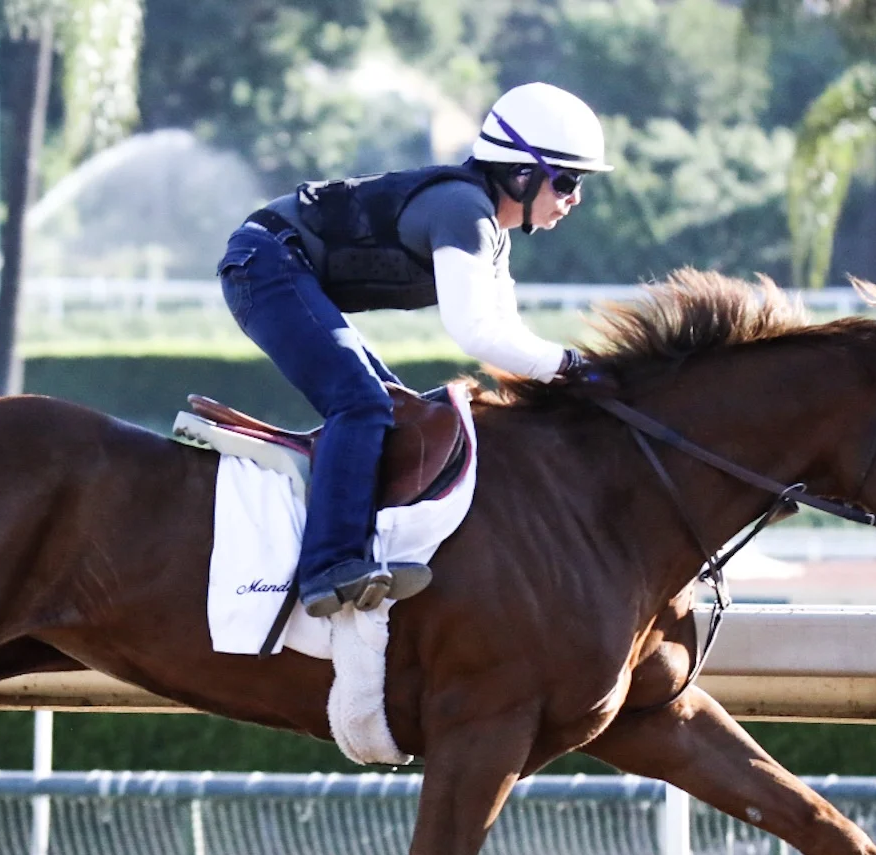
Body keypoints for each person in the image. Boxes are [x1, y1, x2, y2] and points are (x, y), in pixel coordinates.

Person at [217, 82, 616, 619]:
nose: (575, 199)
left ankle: (368, 542)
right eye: (567, 181)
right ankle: (328, 566)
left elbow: (509, 335)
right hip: (262, 261)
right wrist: (575, 367)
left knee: (397, 407)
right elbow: (477, 334)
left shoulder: (490, 231)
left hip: (283, 265)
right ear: (523, 173)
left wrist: (578, 378)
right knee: (361, 403)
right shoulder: (463, 211)